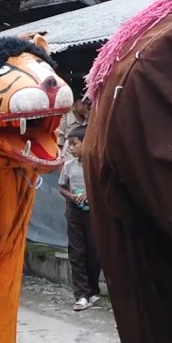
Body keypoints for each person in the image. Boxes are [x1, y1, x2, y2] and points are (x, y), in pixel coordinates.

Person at [58, 126, 102, 311]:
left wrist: (89, 193)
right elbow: (61, 187)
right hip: (74, 212)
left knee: (94, 252)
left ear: (87, 143)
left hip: (93, 212)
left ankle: (92, 291)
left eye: (75, 144)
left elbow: (103, 186)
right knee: (77, 252)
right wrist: (72, 197)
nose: (71, 148)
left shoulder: (96, 164)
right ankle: (81, 294)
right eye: (69, 145)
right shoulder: (69, 166)